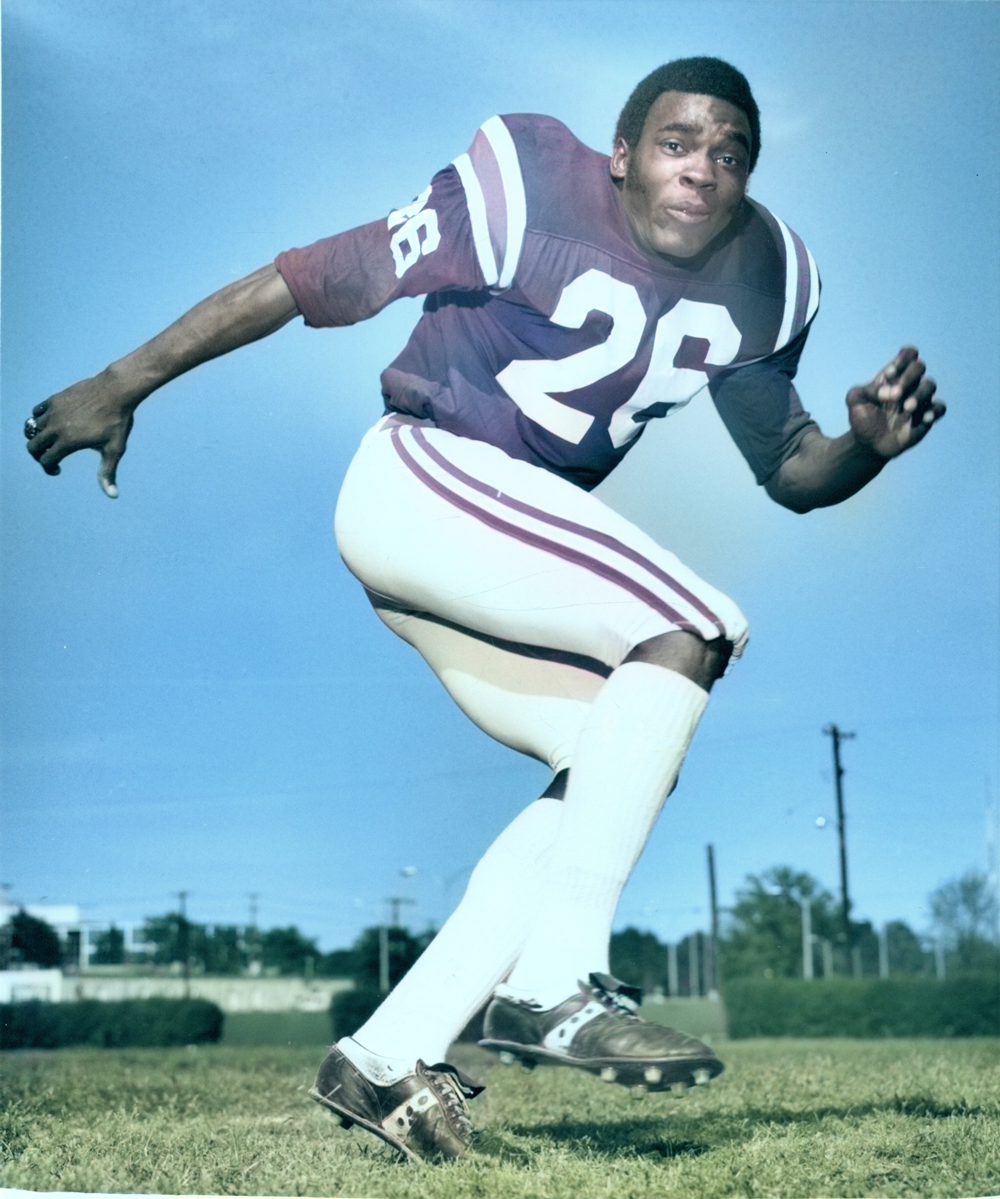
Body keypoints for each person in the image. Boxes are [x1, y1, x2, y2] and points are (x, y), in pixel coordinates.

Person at [24, 57, 943, 1163]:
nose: (704, 168)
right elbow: (311, 277)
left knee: (620, 750)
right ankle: (555, 980)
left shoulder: (768, 278)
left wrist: (863, 453)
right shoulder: (529, 184)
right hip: (422, 473)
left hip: (493, 540)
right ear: (620, 153)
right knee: (693, 622)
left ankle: (385, 1053)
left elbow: (790, 466)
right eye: (677, 142)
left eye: (730, 152)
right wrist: (125, 380)